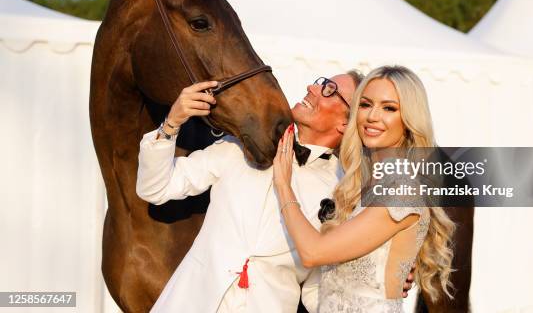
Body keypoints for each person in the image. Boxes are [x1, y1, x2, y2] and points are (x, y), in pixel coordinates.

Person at [136, 71, 414, 312]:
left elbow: (318, 288)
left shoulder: (346, 191)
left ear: (345, 122)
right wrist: (171, 123)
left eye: (329, 89)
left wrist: (377, 284)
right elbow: (156, 188)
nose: (312, 88)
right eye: (320, 82)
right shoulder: (239, 146)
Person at [272, 65, 456, 312]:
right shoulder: (358, 186)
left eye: (389, 108)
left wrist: (284, 186)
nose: (372, 116)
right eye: (366, 104)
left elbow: (312, 252)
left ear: (409, 120)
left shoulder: (400, 193)